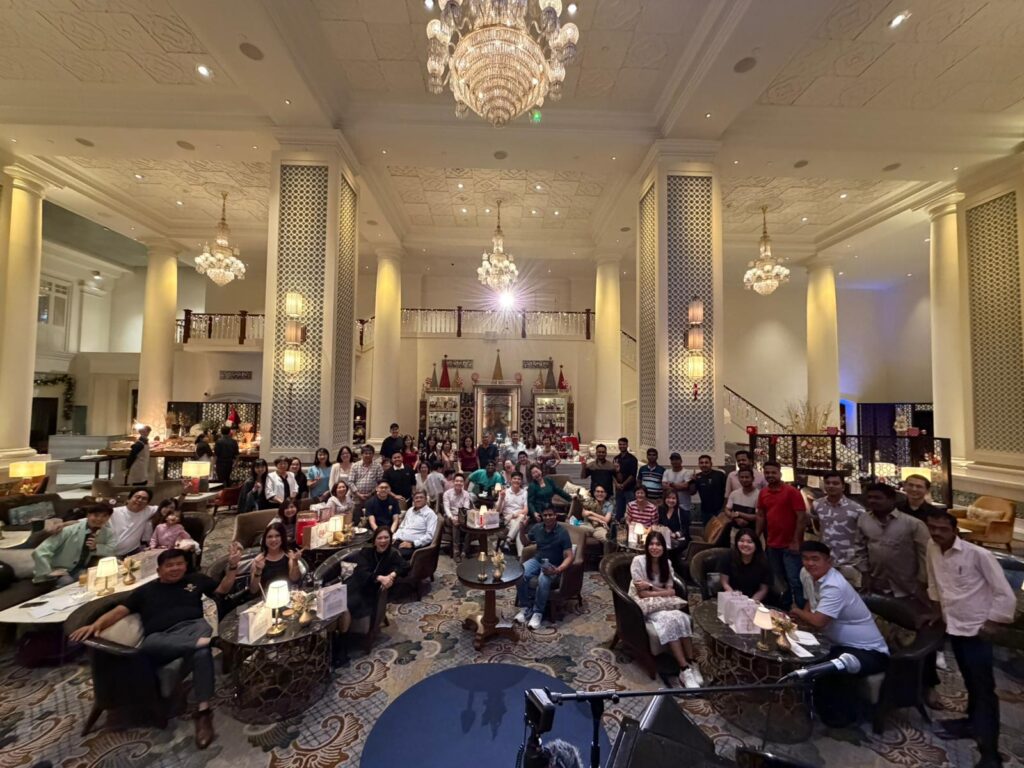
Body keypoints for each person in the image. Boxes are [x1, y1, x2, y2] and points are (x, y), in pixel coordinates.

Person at [69, 545, 245, 748]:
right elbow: (119, 612)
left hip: (194, 628)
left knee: (199, 649)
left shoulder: (195, 580)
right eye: (170, 565)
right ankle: (212, 644)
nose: (176, 568)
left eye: (180, 564)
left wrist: (232, 566)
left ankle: (203, 712)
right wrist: (95, 625)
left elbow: (224, 588)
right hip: (162, 637)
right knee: (153, 643)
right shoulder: (145, 591)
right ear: (159, 569)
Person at [926, 510, 1016, 767]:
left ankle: (990, 754)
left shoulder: (979, 555)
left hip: (977, 630)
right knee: (969, 679)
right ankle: (971, 722)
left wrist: (992, 621)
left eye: (942, 529)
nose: (936, 533)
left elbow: (1004, 594)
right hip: (954, 625)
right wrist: (936, 610)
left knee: (984, 689)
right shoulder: (932, 547)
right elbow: (934, 581)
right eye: (932, 527)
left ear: (955, 530)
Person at [789, 541, 890, 728]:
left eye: (815, 559)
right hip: (834, 642)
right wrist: (801, 621)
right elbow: (810, 602)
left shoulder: (835, 586)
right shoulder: (806, 574)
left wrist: (796, 612)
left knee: (829, 667)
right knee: (797, 651)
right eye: (805, 558)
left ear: (829, 562)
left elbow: (819, 620)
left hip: (868, 652)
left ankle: (840, 719)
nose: (809, 563)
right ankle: (810, 705)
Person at [629, 530, 702, 688]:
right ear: (647, 546)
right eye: (652, 544)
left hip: (665, 604)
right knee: (670, 620)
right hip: (645, 607)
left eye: (658, 544)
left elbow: (672, 591)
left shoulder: (666, 564)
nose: (655, 548)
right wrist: (661, 591)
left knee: (681, 618)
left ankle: (691, 662)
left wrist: (651, 586)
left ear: (664, 547)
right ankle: (684, 669)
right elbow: (642, 594)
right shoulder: (638, 561)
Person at [858, 482, 930, 600]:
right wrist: (865, 573)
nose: (872, 501)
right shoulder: (864, 519)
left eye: (878, 498)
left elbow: (925, 556)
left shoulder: (913, 524)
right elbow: (860, 547)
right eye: (870, 497)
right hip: (877, 584)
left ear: (891, 500)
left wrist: (922, 583)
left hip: (909, 587)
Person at [755, 461, 807, 608]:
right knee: (777, 579)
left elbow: (801, 517)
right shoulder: (763, 492)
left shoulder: (792, 492)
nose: (770, 475)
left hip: (790, 545)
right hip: (772, 544)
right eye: (767, 473)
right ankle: (784, 606)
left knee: (795, 579)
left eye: (773, 472)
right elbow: (760, 516)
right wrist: (755, 536)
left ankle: (802, 608)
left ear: (780, 473)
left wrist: (796, 541)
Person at [515, 507, 574, 631]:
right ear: (542, 516)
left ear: (555, 516)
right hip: (538, 560)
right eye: (545, 515)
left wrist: (558, 570)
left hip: (554, 564)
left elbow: (569, 556)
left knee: (544, 579)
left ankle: (538, 612)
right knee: (519, 574)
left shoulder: (562, 532)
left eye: (550, 515)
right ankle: (526, 607)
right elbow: (526, 542)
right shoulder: (537, 528)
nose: (547, 517)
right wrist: (521, 529)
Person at [33, 503, 115, 585]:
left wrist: (95, 548)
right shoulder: (69, 530)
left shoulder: (107, 533)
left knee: (97, 580)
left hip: (81, 570)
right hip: (59, 569)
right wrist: (48, 572)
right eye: (96, 515)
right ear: (88, 515)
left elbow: (111, 550)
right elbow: (40, 551)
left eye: (104, 516)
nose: (100, 519)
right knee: (67, 582)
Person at [810, 471, 867, 587]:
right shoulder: (817, 505)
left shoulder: (857, 509)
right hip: (826, 562)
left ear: (843, 487)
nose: (831, 486)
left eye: (835, 483)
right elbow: (816, 524)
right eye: (828, 483)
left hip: (849, 563)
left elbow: (865, 535)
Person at [249, 521, 303, 592]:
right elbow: (253, 590)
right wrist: (258, 570)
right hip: (266, 597)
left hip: (287, 593)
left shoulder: (289, 554)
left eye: (277, 536)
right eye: (269, 537)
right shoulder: (259, 560)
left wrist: (295, 561)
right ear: (265, 540)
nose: (273, 540)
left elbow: (294, 579)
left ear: (282, 538)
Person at [720, 530, 772, 602]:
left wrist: (750, 602)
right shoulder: (728, 556)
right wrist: (732, 596)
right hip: (731, 597)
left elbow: (763, 589)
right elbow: (725, 582)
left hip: (753, 600)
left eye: (749, 542)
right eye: (741, 541)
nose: (745, 544)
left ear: (756, 545)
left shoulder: (763, 562)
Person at [109, 487, 158, 556]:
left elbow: (165, 507)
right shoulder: (113, 512)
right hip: (109, 553)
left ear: (147, 503)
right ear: (128, 499)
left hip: (133, 552)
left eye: (144, 499)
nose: (140, 500)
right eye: (137, 497)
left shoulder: (147, 511)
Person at [394, 490, 438, 558]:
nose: (418, 499)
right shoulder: (410, 510)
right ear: (413, 500)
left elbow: (430, 536)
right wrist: (394, 537)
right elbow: (402, 527)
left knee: (394, 556)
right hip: (399, 541)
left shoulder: (430, 514)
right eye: (416, 498)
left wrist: (413, 544)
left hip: (413, 546)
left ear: (426, 499)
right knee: (382, 549)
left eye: (421, 497)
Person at [723, 467, 760, 545]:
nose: (744, 479)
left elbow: (758, 516)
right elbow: (727, 509)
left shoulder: (759, 495)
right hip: (735, 532)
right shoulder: (734, 493)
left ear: (753, 478)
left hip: (752, 533)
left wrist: (739, 514)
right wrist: (735, 518)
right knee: (734, 555)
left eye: (747, 477)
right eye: (742, 477)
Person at [443, 473, 474, 561]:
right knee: (455, 524)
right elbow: (446, 508)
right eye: (457, 481)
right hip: (449, 516)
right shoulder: (447, 494)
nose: (459, 483)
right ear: (453, 482)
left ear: (463, 483)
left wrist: (460, 518)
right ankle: (456, 552)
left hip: (462, 515)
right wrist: (452, 517)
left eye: (461, 481)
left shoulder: (466, 494)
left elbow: (466, 507)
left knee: (471, 525)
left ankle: (464, 551)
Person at [497, 471, 530, 552]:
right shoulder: (505, 492)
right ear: (511, 480)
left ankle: (508, 540)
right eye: (514, 478)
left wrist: (513, 515)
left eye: (519, 479)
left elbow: (526, 510)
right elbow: (498, 511)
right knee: (519, 526)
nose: (517, 480)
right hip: (507, 519)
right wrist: (501, 499)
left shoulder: (524, 492)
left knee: (520, 518)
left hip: (518, 517)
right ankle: (521, 555)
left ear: (521, 481)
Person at [577, 484, 615, 552]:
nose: (600, 494)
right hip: (587, 525)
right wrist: (599, 520)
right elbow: (584, 514)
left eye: (602, 492)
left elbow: (606, 520)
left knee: (607, 540)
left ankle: (606, 560)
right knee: (580, 530)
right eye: (597, 491)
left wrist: (591, 513)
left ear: (606, 494)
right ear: (594, 493)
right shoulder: (588, 501)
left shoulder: (609, 505)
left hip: (599, 528)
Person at [690, 454, 726, 523]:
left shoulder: (720, 475)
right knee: (707, 532)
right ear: (699, 464)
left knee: (721, 532)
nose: (704, 465)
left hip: (719, 510)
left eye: (706, 462)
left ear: (711, 464)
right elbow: (692, 492)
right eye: (701, 463)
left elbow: (727, 492)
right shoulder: (697, 477)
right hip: (705, 511)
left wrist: (724, 509)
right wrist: (692, 481)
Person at [658, 489, 689, 555]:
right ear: (665, 499)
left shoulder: (682, 512)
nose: (671, 500)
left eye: (673, 498)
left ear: (677, 500)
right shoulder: (661, 509)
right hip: (664, 538)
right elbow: (659, 524)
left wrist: (675, 535)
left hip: (677, 540)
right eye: (668, 498)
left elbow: (685, 530)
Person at [662, 452, 693, 517]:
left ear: (681, 461)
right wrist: (680, 485)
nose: (674, 461)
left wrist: (671, 484)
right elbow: (664, 486)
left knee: (684, 526)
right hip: (670, 505)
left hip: (684, 506)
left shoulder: (687, 472)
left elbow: (686, 486)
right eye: (672, 460)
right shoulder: (667, 472)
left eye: (677, 459)